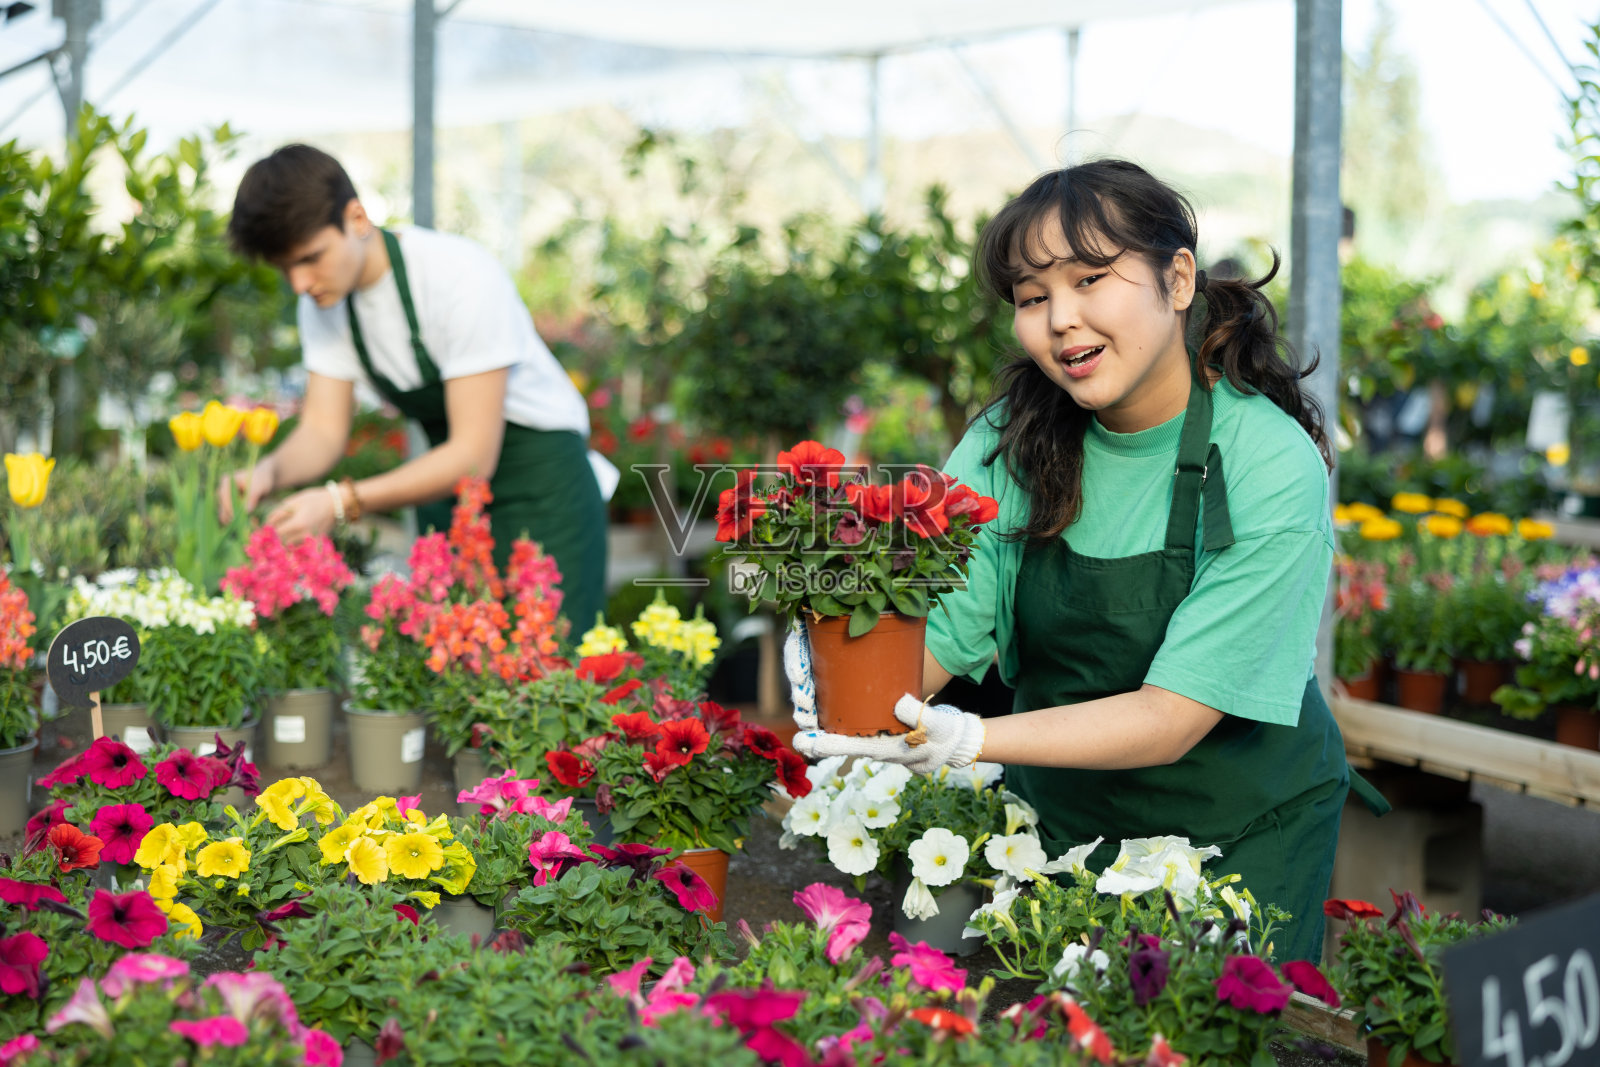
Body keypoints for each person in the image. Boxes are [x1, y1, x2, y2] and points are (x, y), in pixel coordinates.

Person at [788, 159, 1386, 963]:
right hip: (1059, 822)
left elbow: (1171, 717)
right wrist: (842, 675)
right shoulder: (1012, 442)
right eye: (1033, 298)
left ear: (1177, 280)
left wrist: (968, 737)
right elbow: (943, 633)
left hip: (1241, 831)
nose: (1061, 319)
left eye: (1091, 279)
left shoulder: (1266, 462)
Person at [223, 144, 610, 630]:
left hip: (540, 483)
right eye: (285, 269)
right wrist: (269, 473)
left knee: (551, 666)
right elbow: (322, 429)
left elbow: (473, 454)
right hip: (447, 484)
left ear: (357, 217)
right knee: (457, 667)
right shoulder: (325, 304)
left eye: (310, 258)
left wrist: (342, 501)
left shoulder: (458, 277)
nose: (299, 283)